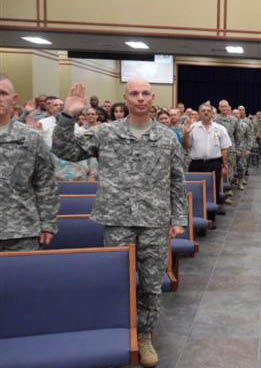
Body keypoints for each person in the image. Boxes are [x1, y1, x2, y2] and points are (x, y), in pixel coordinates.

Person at [52, 79, 187, 367]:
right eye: (134, 93)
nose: (140, 98)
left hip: (154, 220)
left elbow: (177, 180)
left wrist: (178, 218)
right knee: (118, 280)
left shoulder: (166, 138)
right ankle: (121, 331)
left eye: (145, 93)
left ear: (154, 98)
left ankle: (146, 334)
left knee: (151, 283)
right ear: (125, 99)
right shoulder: (107, 133)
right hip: (118, 220)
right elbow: (65, 151)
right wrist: (67, 115)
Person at [0, 73, 59, 251]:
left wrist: (48, 222)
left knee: (21, 279)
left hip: (21, 230)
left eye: (3, 93)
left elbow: (45, 183)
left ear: (14, 99)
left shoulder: (31, 138)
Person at [184, 103, 231, 205]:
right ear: (199, 114)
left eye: (208, 111)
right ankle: (198, 213)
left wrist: (224, 165)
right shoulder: (192, 127)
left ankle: (211, 216)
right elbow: (187, 146)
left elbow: (225, 148)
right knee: (196, 190)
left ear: (212, 114)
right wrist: (186, 134)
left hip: (214, 163)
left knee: (213, 189)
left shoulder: (220, 128)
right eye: (203, 111)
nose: (206, 113)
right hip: (196, 164)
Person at [216, 100, 239, 192]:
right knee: (219, 169)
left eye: (225, 107)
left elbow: (237, 136)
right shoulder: (215, 119)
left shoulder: (234, 120)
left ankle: (228, 190)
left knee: (230, 170)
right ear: (219, 108)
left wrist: (238, 148)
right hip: (218, 149)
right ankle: (219, 190)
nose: (224, 108)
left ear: (228, 107)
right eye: (222, 107)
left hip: (230, 149)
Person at [235, 106, 253, 190]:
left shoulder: (246, 123)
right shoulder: (230, 122)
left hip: (243, 147)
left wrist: (249, 148)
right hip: (231, 148)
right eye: (238, 110)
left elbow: (250, 135)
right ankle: (232, 182)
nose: (239, 112)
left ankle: (240, 181)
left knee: (241, 165)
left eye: (241, 110)